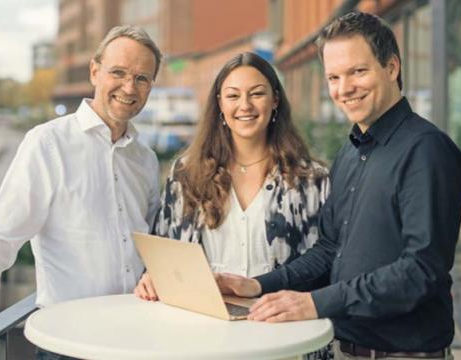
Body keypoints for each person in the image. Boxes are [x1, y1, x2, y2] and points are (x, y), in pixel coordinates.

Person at [216, 11, 461, 360]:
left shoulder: (426, 150)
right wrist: (257, 285)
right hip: (347, 350)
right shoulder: (351, 152)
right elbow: (329, 249)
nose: (344, 88)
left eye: (357, 72)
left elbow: (420, 270)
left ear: (392, 68)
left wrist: (315, 303)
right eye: (334, 77)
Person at [0, 25, 162, 360]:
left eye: (142, 78)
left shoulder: (146, 159)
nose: (129, 87)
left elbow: (151, 249)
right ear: (95, 71)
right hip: (68, 345)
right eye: (119, 73)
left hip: (136, 341)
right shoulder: (48, 144)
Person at [134, 52, 331, 359]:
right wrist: (154, 275)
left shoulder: (311, 180)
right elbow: (166, 249)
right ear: (220, 105)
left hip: (284, 342)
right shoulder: (186, 173)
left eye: (257, 93)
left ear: (275, 100)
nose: (245, 105)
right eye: (233, 95)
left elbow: (325, 264)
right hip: (202, 341)